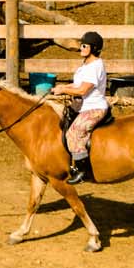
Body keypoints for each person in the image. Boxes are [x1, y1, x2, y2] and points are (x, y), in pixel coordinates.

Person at [51, 31, 109, 184]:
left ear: (93, 49)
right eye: (81, 45)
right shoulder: (86, 65)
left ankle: (83, 171)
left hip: (94, 108)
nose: (81, 48)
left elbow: (83, 90)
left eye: (84, 45)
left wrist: (63, 90)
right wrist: (63, 86)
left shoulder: (95, 66)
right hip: (82, 106)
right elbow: (78, 85)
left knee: (74, 133)